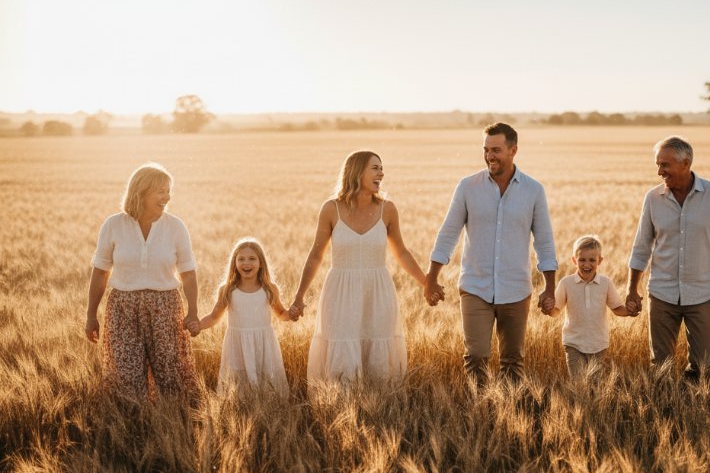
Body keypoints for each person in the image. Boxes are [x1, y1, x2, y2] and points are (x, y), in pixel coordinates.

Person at [425, 123, 558, 386]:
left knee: (512, 360)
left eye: (496, 150)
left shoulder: (533, 190)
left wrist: (550, 287)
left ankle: (509, 414)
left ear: (513, 150)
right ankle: (481, 411)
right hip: (476, 286)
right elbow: (448, 233)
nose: (489, 156)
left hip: (516, 288)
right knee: (475, 356)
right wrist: (431, 278)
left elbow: (544, 241)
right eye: (486, 150)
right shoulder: (467, 187)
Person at [289, 150, 426, 385]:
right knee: (343, 347)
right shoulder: (331, 209)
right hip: (340, 292)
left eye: (382, 168)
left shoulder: (388, 209)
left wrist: (426, 283)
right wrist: (299, 296)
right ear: (357, 171)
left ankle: (380, 408)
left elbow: (401, 252)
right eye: (375, 168)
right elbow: (315, 255)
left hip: (378, 291)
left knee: (378, 347)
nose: (381, 173)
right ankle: (339, 407)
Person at [625, 136, 710, 378]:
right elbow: (641, 248)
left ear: (685, 163)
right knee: (660, 365)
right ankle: (666, 410)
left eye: (665, 165)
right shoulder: (652, 198)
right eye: (658, 164)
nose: (659, 171)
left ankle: (696, 409)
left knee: (703, 365)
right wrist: (632, 289)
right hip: (661, 293)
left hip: (702, 294)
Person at [85, 162, 201, 400]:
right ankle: (133, 428)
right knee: (126, 378)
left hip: (166, 307)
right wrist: (90, 315)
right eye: (161, 191)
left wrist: (193, 311)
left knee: (172, 375)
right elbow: (100, 273)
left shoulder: (176, 227)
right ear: (141, 191)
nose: (167, 197)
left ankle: (173, 426)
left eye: (169, 191)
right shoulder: (113, 225)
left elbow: (188, 273)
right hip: (123, 308)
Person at [196, 237, 292, 395]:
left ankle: (269, 410)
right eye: (241, 259)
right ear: (234, 263)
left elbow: (281, 313)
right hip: (237, 346)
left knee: (266, 381)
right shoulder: (227, 290)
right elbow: (214, 317)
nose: (246, 263)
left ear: (261, 263)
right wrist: (198, 325)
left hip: (263, 344)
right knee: (238, 385)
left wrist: (292, 314)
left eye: (252, 258)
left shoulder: (269, 289)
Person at [548, 235, 634, 378]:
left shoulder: (606, 283)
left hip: (598, 343)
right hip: (573, 343)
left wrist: (629, 311)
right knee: (578, 384)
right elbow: (555, 311)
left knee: (596, 385)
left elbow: (617, 308)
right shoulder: (566, 283)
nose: (586, 264)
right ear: (574, 260)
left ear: (600, 261)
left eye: (592, 260)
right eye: (582, 260)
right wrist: (548, 307)